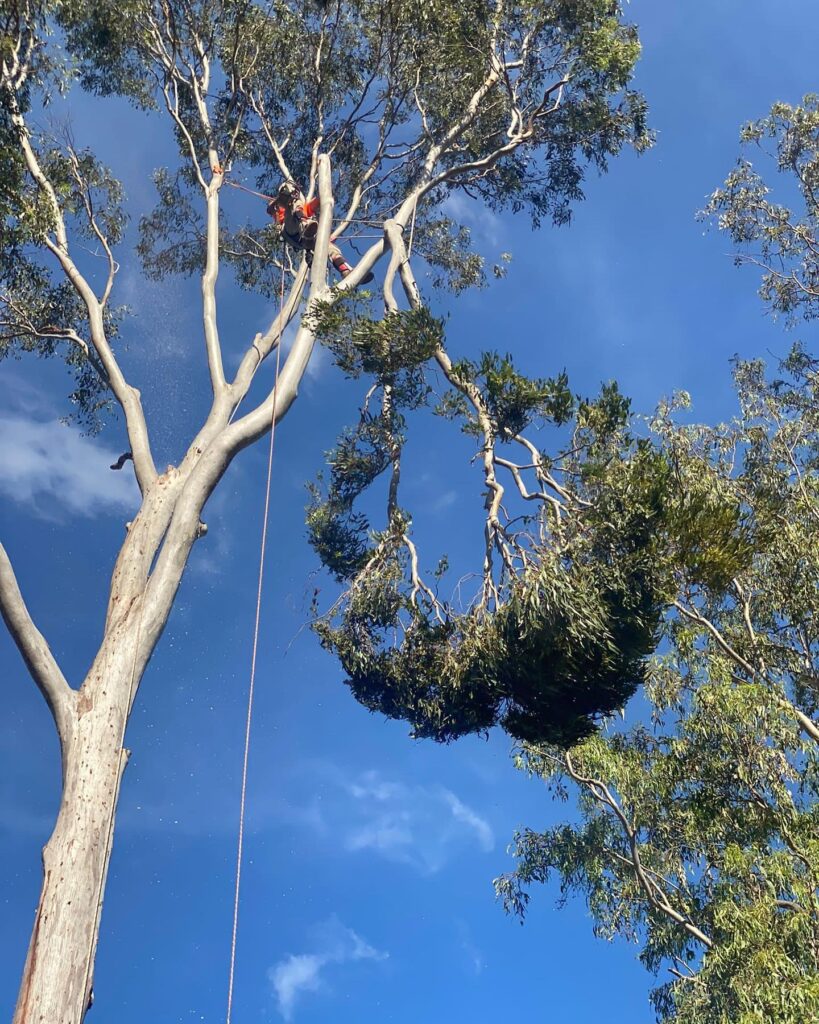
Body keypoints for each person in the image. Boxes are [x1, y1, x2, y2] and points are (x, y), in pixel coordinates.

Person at [267, 180, 374, 284]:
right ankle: (306, 228)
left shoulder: (301, 207)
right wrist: (280, 199)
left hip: (302, 239)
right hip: (290, 231)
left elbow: (314, 204)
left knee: (330, 247)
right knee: (295, 203)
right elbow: (270, 208)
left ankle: (346, 271)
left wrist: (324, 194)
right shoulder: (281, 209)